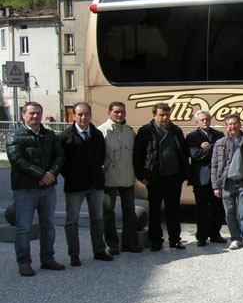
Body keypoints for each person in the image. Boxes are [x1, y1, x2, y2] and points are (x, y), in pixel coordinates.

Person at [8, 102, 66, 276]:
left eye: (38, 113)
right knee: (23, 227)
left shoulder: (49, 135)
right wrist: (41, 175)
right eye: (32, 113)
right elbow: (17, 160)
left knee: (48, 225)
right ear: (24, 115)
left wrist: (51, 174)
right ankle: (24, 263)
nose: (35, 116)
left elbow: (60, 156)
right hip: (25, 189)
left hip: (48, 188)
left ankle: (48, 259)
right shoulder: (15, 137)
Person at [60, 102, 113, 266]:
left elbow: (102, 156)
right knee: (72, 220)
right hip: (75, 186)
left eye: (86, 114)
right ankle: (74, 254)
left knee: (97, 219)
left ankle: (99, 250)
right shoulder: (64, 137)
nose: (83, 118)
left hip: (95, 184)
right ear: (74, 116)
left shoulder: (97, 134)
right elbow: (62, 162)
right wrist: (73, 175)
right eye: (80, 114)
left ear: (90, 115)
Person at [133, 102, 190, 251]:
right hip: (154, 178)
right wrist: (141, 176)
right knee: (155, 211)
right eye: (161, 115)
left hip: (174, 177)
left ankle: (175, 239)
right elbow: (137, 156)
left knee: (173, 210)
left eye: (167, 115)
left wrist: (184, 174)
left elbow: (182, 152)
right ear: (154, 115)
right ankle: (156, 240)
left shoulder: (176, 130)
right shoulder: (145, 131)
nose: (165, 118)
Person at [99, 101, 141, 254]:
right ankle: (112, 244)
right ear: (109, 113)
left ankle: (130, 243)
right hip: (108, 179)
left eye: (122, 112)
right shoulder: (102, 131)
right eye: (116, 112)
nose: (119, 115)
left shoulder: (130, 132)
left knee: (129, 212)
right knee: (108, 212)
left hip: (127, 178)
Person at [211, 114, 243, 250]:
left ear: (240, 125)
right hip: (226, 183)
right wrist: (216, 185)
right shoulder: (220, 143)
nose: (232, 126)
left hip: (242, 182)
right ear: (226, 126)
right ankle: (235, 238)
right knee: (229, 213)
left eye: (235, 123)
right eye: (229, 124)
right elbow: (215, 165)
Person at [186, 110, 226, 246]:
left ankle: (215, 234)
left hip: (217, 178)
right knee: (202, 209)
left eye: (207, 119)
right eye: (202, 119)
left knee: (218, 208)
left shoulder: (218, 135)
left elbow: (223, 151)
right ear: (197, 121)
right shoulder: (192, 136)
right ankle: (201, 237)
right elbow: (195, 154)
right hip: (201, 179)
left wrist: (210, 146)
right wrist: (209, 150)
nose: (205, 122)